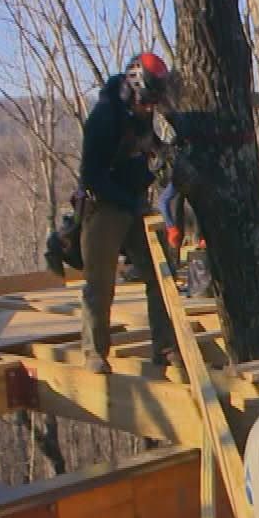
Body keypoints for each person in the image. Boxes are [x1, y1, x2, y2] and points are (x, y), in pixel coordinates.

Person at [76, 52, 179, 372]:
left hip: (134, 203)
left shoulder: (142, 114)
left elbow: (150, 146)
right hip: (104, 204)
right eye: (146, 102)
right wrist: (126, 200)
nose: (149, 108)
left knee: (162, 275)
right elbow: (91, 175)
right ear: (133, 89)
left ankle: (165, 347)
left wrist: (164, 158)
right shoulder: (104, 117)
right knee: (100, 281)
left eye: (153, 103)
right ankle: (95, 351)